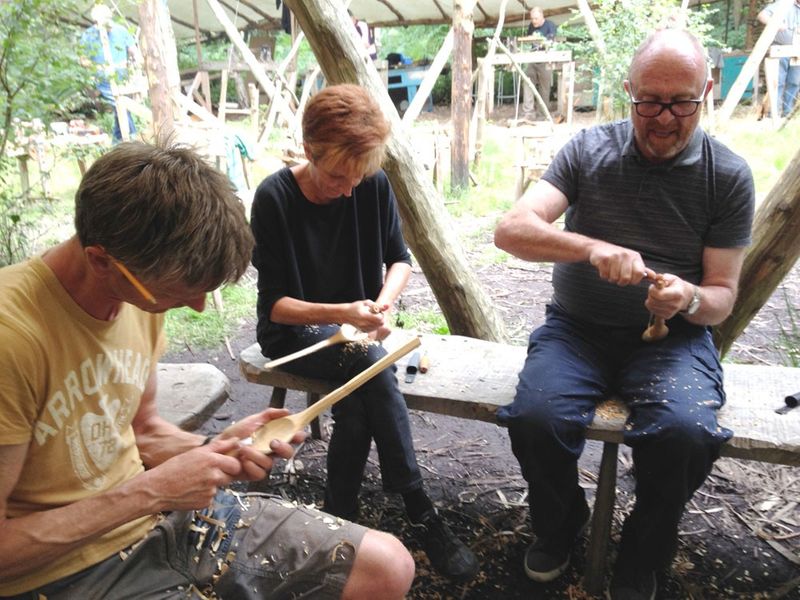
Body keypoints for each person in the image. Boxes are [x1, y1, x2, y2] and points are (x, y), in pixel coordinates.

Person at [0, 141, 415, 600]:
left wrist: (219, 447)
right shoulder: (12, 338)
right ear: (101, 260)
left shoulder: (135, 292)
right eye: (179, 292)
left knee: (386, 566)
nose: (196, 307)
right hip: (64, 574)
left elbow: (142, 431)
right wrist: (151, 493)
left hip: (163, 522)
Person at [494, 29, 754, 599]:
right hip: (576, 330)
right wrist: (588, 247)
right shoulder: (588, 151)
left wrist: (685, 298)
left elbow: (722, 296)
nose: (663, 117)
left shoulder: (727, 175)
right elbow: (511, 230)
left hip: (673, 341)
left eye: (681, 101)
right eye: (648, 101)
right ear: (628, 92)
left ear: (705, 91)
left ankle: (643, 551)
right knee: (537, 418)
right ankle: (564, 527)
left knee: (685, 433)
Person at [250, 84, 479, 583]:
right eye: (338, 175)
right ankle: (418, 505)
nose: (350, 188)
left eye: (360, 175)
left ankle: (340, 515)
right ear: (310, 151)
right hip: (295, 337)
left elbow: (400, 259)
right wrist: (341, 311)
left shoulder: (369, 183)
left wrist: (383, 302)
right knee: (367, 363)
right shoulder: (274, 198)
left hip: (355, 336)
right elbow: (276, 307)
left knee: (357, 402)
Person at [79, 4, 139, 142]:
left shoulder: (121, 30)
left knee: (122, 107)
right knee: (119, 103)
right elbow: (83, 60)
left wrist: (137, 62)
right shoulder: (89, 35)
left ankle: (118, 140)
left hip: (123, 75)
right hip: (103, 77)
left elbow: (133, 50)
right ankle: (131, 136)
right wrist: (99, 67)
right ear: (96, 20)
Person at [758, 0, 800, 117]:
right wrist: (775, 23)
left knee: (795, 82)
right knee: (777, 82)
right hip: (780, 50)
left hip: (797, 52)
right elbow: (762, 16)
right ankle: (773, 113)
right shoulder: (783, 4)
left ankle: (788, 113)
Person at [521, 6, 557, 121]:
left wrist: (543, 43)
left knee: (544, 88)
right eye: (532, 19)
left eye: (536, 18)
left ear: (542, 16)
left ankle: (542, 114)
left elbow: (551, 40)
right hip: (533, 58)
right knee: (527, 81)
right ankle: (528, 113)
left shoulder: (550, 25)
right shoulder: (531, 26)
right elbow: (529, 40)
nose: (533, 21)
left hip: (546, 59)